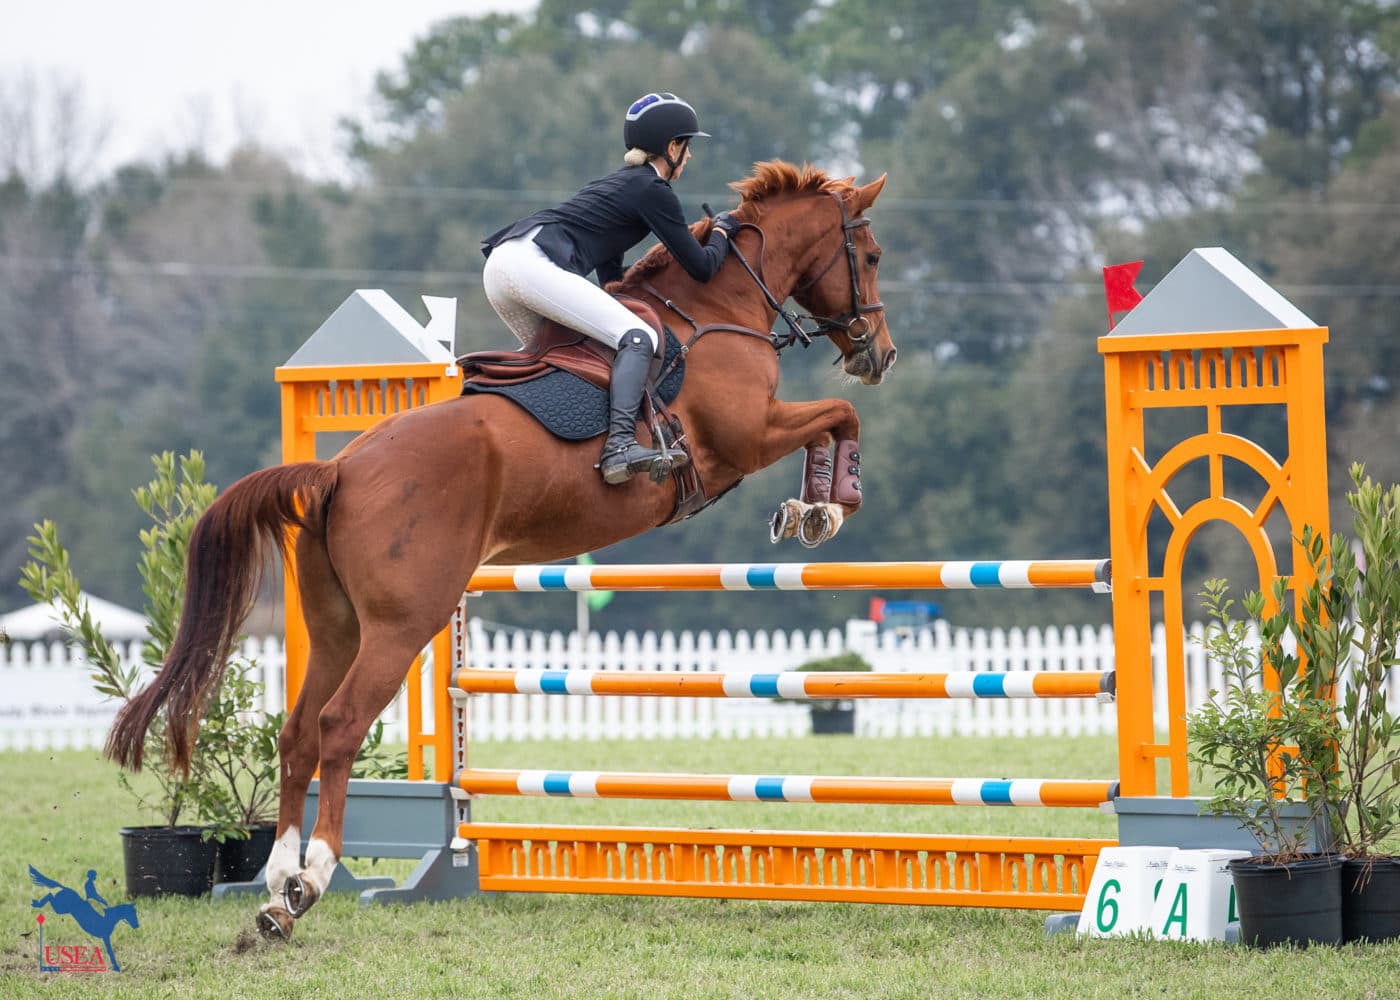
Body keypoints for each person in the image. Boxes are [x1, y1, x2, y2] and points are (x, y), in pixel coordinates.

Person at [481, 93, 741, 485]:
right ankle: (619, 446)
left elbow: (609, 272)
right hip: (529, 263)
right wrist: (722, 230)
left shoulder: (623, 184)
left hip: (506, 263)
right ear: (671, 147)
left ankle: (548, 448)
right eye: (686, 148)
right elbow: (703, 267)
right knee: (638, 338)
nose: (688, 157)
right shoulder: (654, 191)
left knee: (564, 357)